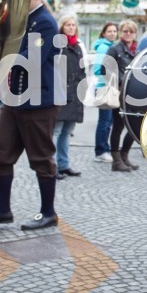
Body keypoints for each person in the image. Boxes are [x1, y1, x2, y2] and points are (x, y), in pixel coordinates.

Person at [0, 0, 61, 231]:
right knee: (0, 154)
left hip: (38, 99)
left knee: (41, 157)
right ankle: (3, 210)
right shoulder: (19, 20)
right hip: (14, 99)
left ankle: (48, 212)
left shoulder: (45, 22)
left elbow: (31, 59)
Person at [54, 14, 87, 179]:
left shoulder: (77, 46)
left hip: (75, 95)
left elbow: (82, 71)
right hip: (61, 95)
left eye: (73, 25)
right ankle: (52, 166)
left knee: (67, 132)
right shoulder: (58, 46)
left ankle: (63, 164)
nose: (71, 27)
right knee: (57, 131)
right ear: (62, 27)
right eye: (68, 25)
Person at [106, 19, 139, 172]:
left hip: (133, 93)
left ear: (135, 33)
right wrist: (121, 80)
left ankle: (124, 155)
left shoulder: (137, 51)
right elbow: (104, 69)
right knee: (118, 127)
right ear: (121, 32)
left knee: (134, 126)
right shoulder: (115, 49)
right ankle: (116, 160)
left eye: (131, 31)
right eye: (125, 31)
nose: (128, 34)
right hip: (119, 93)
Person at [92, 22, 118, 163]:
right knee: (105, 122)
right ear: (104, 33)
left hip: (109, 87)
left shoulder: (110, 46)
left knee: (107, 121)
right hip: (104, 87)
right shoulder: (104, 47)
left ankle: (103, 149)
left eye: (114, 31)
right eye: (110, 31)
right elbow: (98, 69)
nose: (113, 33)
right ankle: (101, 151)